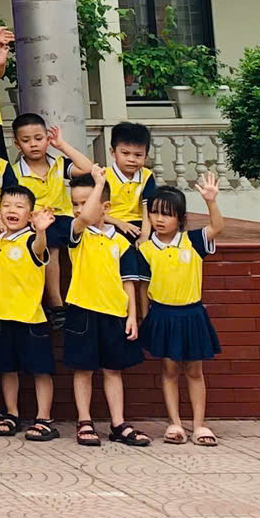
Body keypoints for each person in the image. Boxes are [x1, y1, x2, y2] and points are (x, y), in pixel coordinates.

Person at [52, 170, 152, 447]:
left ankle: (118, 423)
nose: (78, 209)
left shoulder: (120, 241)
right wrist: (97, 185)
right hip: (82, 311)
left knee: (113, 370)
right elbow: (84, 219)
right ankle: (84, 420)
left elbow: (128, 281)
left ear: (106, 207)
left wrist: (132, 316)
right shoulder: (77, 233)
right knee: (83, 369)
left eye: (85, 202)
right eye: (74, 203)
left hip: (114, 314)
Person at [143, 175, 226, 446]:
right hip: (162, 314)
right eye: (154, 212)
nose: (159, 219)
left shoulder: (192, 240)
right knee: (169, 370)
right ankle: (175, 423)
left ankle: (199, 425)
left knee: (194, 370)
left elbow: (217, 227)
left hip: (191, 314)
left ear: (180, 218)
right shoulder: (146, 249)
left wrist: (211, 201)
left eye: (167, 214)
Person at [0, 182, 56, 441]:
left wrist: (41, 231)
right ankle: (11, 413)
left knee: (40, 370)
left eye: (19, 206)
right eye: (6, 205)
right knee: (7, 369)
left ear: (30, 215)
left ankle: (44, 418)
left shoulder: (32, 239)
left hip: (30, 317)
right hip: (0, 316)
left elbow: (39, 248)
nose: (12, 210)